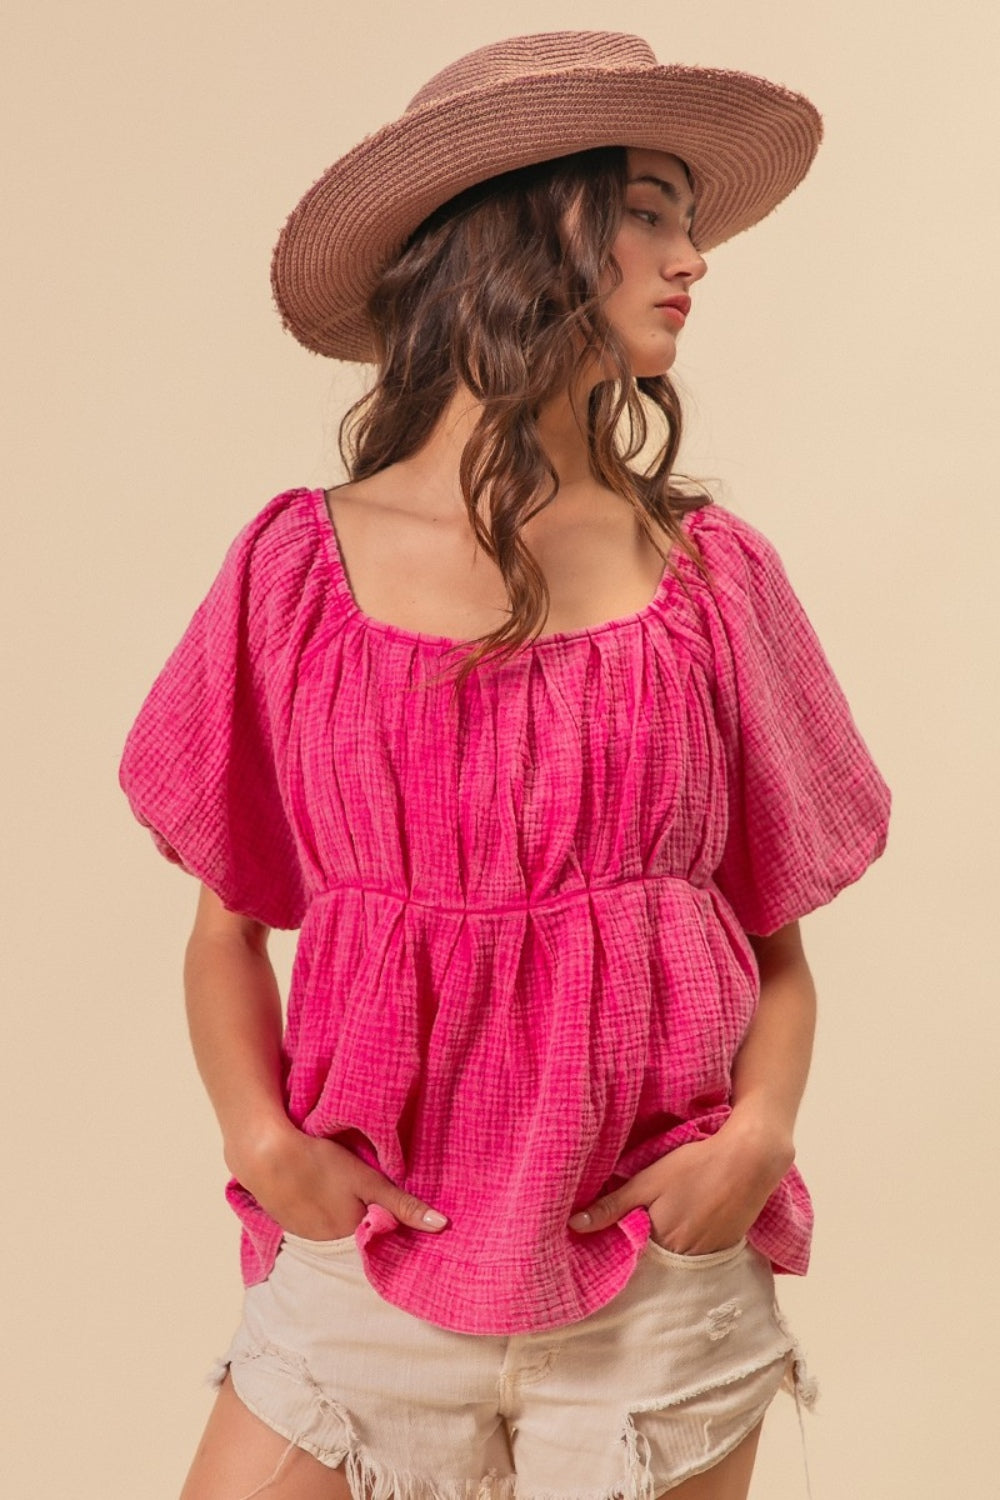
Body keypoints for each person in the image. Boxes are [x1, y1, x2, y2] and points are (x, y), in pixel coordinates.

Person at [119, 30, 891, 1500]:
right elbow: (226, 927)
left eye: (688, 217)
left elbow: (773, 944)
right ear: (522, 234)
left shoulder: (711, 579)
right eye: (651, 210)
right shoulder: (298, 570)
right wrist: (263, 1145)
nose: (693, 257)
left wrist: (762, 1138)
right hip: (367, 1260)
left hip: (658, 1287)